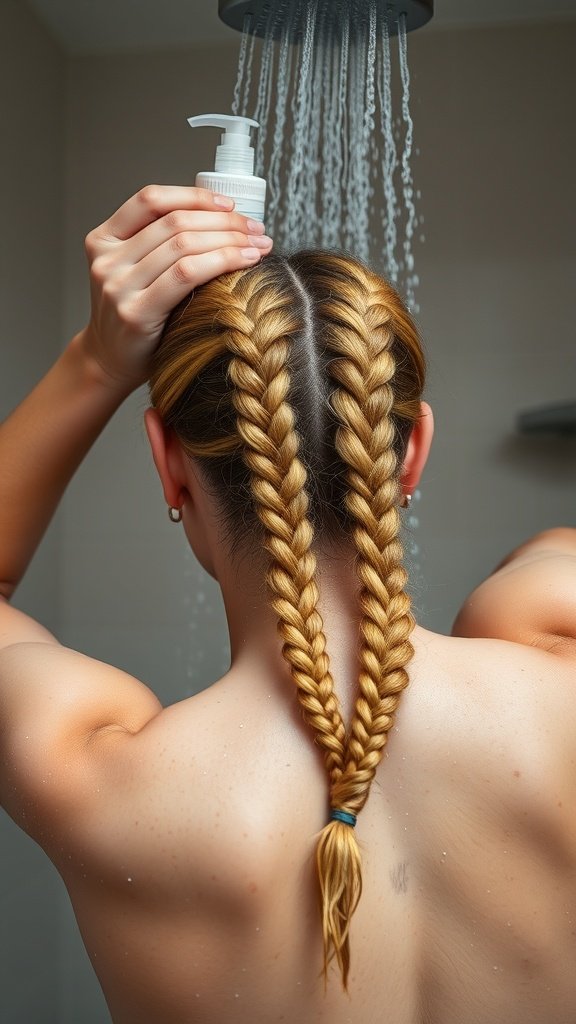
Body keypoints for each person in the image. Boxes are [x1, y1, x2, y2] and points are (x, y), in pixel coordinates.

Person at [0, 184, 575, 1024]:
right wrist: (519, 599)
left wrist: (94, 360)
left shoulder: (97, 779)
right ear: (410, 452)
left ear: (169, 464)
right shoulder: (556, 680)